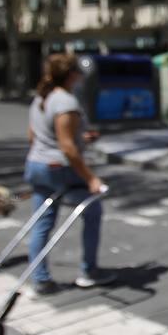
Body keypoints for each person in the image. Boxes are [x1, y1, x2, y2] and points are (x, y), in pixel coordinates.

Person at [24, 53, 114, 294]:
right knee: (93, 209)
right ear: (72, 75)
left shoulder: (41, 98)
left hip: (36, 165)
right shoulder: (66, 102)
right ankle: (89, 270)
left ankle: (40, 279)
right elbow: (67, 148)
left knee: (42, 223)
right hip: (58, 168)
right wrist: (91, 178)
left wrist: (80, 136)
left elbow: (34, 136)